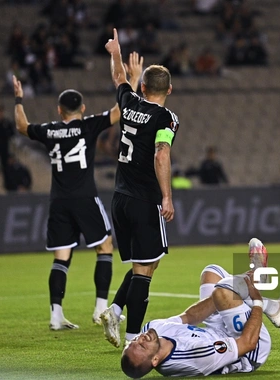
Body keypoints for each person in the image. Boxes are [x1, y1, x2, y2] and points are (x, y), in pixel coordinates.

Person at [11, 51, 143, 330]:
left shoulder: (49, 130)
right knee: (105, 248)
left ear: (59, 110)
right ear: (82, 109)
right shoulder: (88, 125)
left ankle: (56, 315)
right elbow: (120, 112)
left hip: (58, 201)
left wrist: (19, 99)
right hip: (85, 198)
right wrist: (132, 78)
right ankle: (99, 309)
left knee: (61, 257)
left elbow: (21, 126)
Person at [100, 28, 180, 349]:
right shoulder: (166, 117)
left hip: (119, 197)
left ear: (143, 86)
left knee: (147, 262)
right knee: (145, 270)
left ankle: (115, 309)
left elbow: (120, 77)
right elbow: (162, 153)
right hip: (145, 199)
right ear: (169, 90)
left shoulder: (129, 101)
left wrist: (115, 53)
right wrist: (167, 196)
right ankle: (135, 338)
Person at [120, 239, 280, 378]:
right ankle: (261, 289)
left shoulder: (152, 329)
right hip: (249, 349)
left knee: (211, 273)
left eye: (135, 340)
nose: (141, 337)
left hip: (215, 331)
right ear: (154, 360)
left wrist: (226, 295)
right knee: (223, 291)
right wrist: (256, 301)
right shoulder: (194, 355)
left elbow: (190, 316)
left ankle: (261, 291)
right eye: (143, 345)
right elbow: (247, 343)